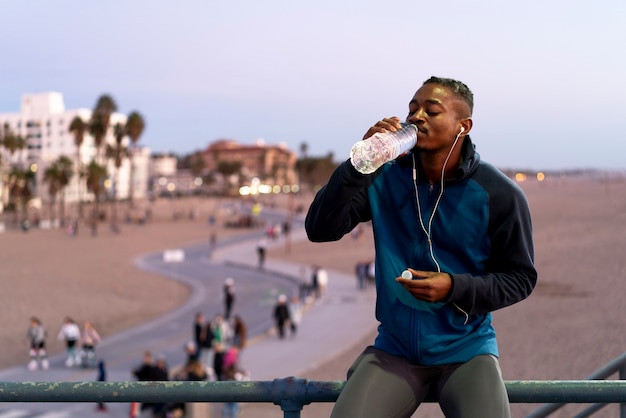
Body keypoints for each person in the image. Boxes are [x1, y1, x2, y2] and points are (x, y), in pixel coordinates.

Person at [305, 76, 537, 418]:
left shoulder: (497, 193)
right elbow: (319, 229)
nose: (417, 117)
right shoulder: (383, 176)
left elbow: (520, 278)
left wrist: (454, 287)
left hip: (466, 349)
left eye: (431, 111)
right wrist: (358, 165)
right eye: (412, 109)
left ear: (463, 126)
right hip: (395, 349)